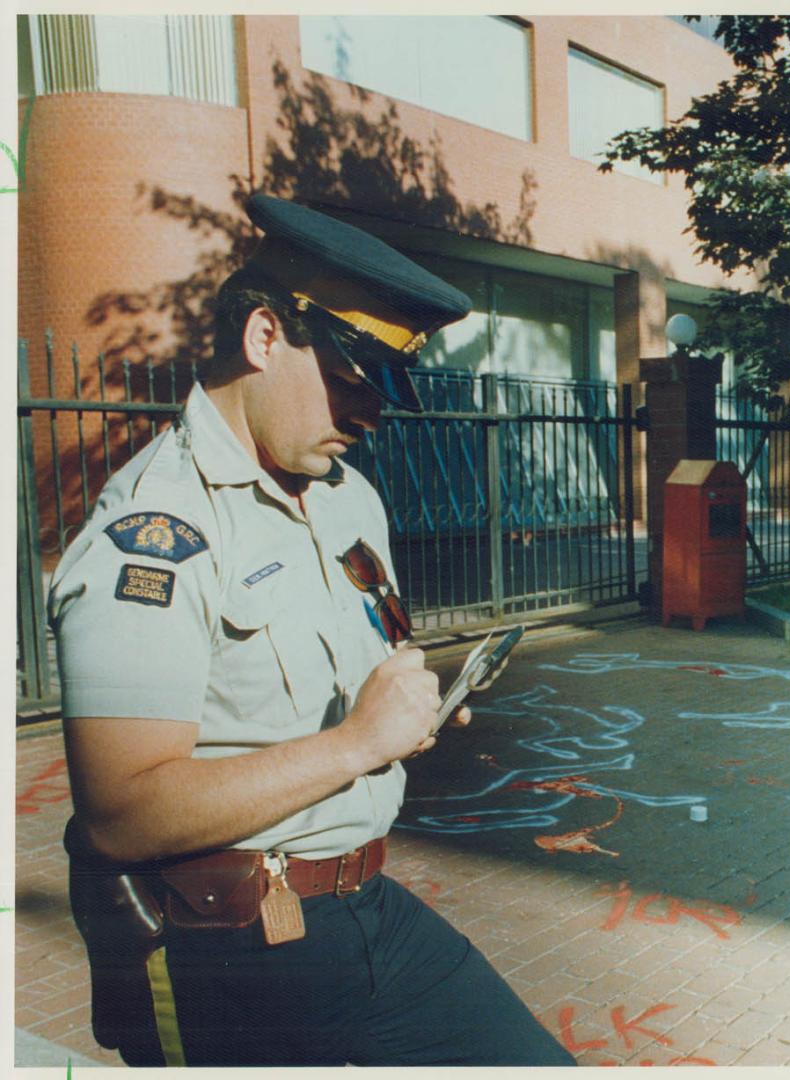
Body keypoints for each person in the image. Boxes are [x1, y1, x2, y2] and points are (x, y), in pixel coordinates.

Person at [49, 195, 576, 1067]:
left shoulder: (343, 494)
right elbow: (120, 815)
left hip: (365, 905)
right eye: (353, 381)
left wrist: (408, 711)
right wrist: (359, 743)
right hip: (229, 950)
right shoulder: (155, 534)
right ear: (264, 337)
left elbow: (369, 658)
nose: (372, 416)